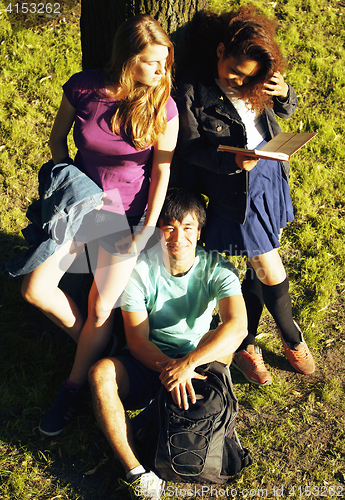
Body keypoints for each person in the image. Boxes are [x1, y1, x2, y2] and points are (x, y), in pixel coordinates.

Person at [19, 14, 179, 436]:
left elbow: (161, 175)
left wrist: (145, 229)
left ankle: (72, 385)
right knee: (34, 290)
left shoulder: (163, 105)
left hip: (124, 217)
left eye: (165, 62)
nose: (162, 71)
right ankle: (94, 347)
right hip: (80, 208)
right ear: (128, 60)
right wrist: (66, 180)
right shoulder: (84, 87)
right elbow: (56, 141)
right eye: (152, 62)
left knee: (101, 306)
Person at [175, 6, 315, 386]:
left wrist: (285, 94)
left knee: (255, 265)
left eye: (247, 77)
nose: (238, 81)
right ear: (220, 51)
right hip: (233, 185)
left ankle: (246, 344)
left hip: (269, 176)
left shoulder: (259, 77)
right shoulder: (191, 89)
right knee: (267, 266)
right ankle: (291, 336)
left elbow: (284, 110)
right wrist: (234, 162)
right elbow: (189, 149)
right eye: (234, 72)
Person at [88, 187, 247, 499]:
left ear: (199, 232)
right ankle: (136, 471)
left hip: (198, 361)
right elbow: (136, 341)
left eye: (187, 227)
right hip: (150, 360)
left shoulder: (218, 267)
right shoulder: (137, 271)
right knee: (100, 374)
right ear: (158, 232)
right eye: (169, 227)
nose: (178, 236)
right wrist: (172, 371)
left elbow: (238, 325)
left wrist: (188, 365)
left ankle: (214, 425)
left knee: (221, 339)